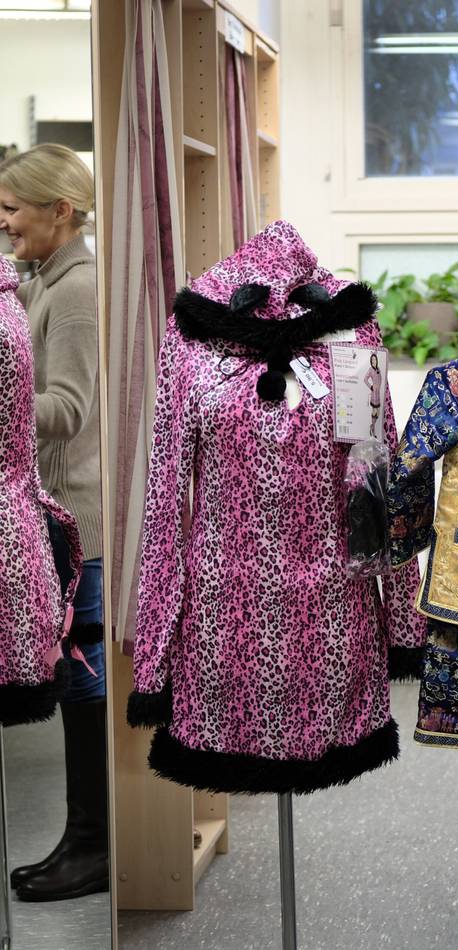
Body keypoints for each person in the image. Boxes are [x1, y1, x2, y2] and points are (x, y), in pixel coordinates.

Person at [0, 143, 106, 901]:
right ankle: (81, 840)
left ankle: (92, 847)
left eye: (13, 210)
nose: (5, 225)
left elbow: (68, 409)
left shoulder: (74, 289)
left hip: (81, 518)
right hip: (59, 510)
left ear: (59, 210)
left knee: (83, 689)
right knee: (76, 686)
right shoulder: (45, 282)